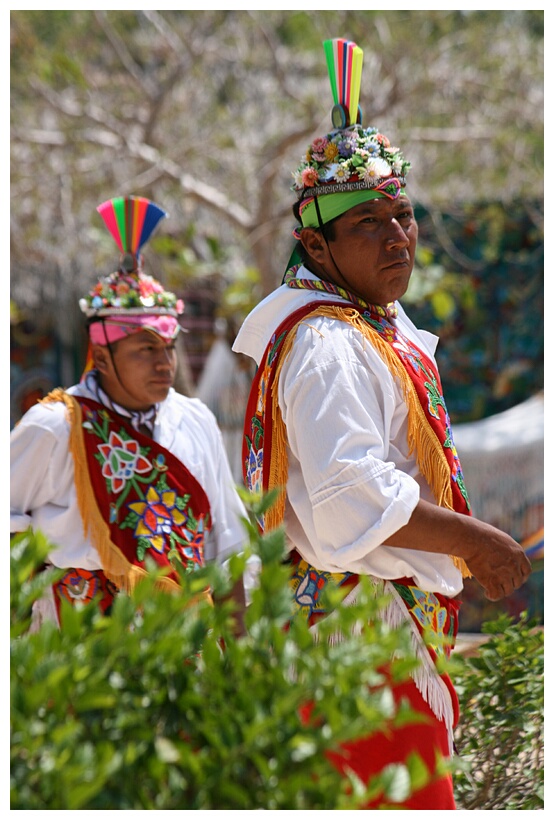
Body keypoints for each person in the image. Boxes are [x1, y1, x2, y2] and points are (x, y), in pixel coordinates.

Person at [233, 38, 531, 809]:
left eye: (403, 216)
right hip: (361, 636)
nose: (397, 236)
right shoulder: (329, 342)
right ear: (315, 245)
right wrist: (474, 540)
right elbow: (344, 495)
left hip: (378, 629)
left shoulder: (370, 327)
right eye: (367, 223)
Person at [11, 195, 248, 630]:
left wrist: (241, 658)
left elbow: (225, 545)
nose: (164, 364)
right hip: (84, 636)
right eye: (145, 349)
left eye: (168, 348)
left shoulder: (195, 420)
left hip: (184, 633)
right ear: (101, 358)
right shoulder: (55, 426)